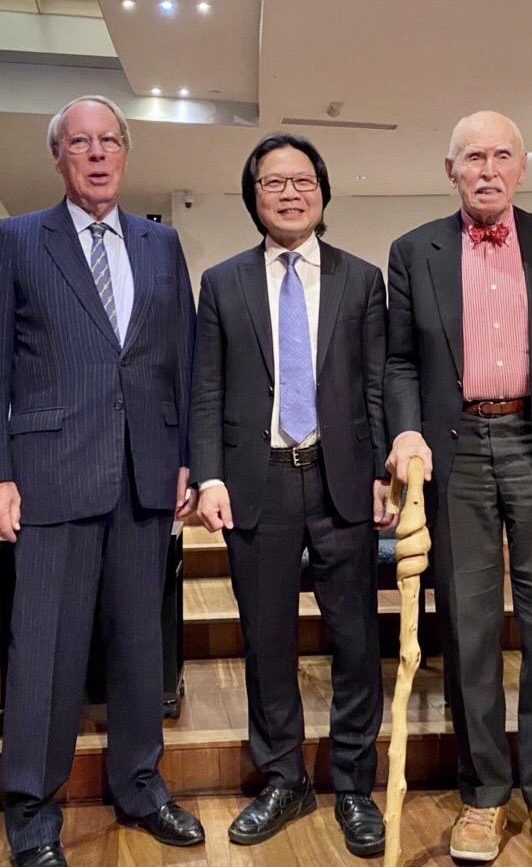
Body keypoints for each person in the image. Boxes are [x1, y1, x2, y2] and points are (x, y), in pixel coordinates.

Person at [0, 95, 200, 867]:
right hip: (49, 478)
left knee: (141, 647)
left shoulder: (161, 246)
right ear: (58, 157)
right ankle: (33, 807)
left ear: (125, 153)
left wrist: (187, 461)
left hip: (144, 477)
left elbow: (182, 363)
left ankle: (141, 784)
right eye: (80, 143)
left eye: (109, 141)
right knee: (46, 651)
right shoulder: (13, 239)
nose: (97, 154)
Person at [385, 110, 532, 866]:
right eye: (473, 156)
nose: (487, 168)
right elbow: (400, 360)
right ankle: (481, 794)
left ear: (523, 166)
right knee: (468, 624)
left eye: (502, 154)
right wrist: (404, 431)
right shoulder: (414, 252)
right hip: (457, 447)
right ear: (451, 170)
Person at [189, 132, 391, 858]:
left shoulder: (362, 278)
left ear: (324, 193)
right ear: (254, 198)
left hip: (342, 478)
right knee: (266, 639)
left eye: (302, 180)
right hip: (258, 480)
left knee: (356, 639)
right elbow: (205, 388)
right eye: (272, 182)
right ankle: (282, 776)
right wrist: (209, 475)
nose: (289, 192)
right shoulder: (221, 281)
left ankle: (355, 783)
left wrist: (381, 473)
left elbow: (375, 384)